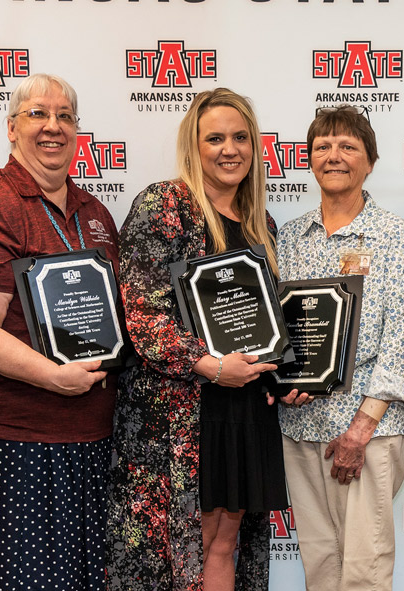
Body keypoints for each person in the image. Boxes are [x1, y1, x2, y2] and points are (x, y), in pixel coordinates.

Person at [107, 88, 297, 591]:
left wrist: (290, 373)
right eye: (215, 138)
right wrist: (210, 365)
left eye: (240, 137)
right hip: (182, 410)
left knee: (225, 544)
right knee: (179, 554)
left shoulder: (263, 225)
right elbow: (141, 314)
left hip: (245, 408)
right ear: (194, 146)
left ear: (256, 147)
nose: (228, 149)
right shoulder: (164, 204)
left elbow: (269, 323)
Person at [0, 73, 117, 591]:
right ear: (12, 128)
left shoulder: (94, 212)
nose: (53, 127)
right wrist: (52, 376)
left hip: (90, 435)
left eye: (65, 116)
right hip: (17, 441)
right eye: (38, 114)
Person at [277, 105, 404, 591]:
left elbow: (402, 339)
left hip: (368, 428)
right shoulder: (290, 237)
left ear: (370, 161)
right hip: (300, 425)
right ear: (308, 158)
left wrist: (360, 429)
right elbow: (281, 328)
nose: (333, 156)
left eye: (348, 147)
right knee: (319, 562)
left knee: (364, 566)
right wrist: (280, 377)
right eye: (322, 147)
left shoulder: (392, 234)